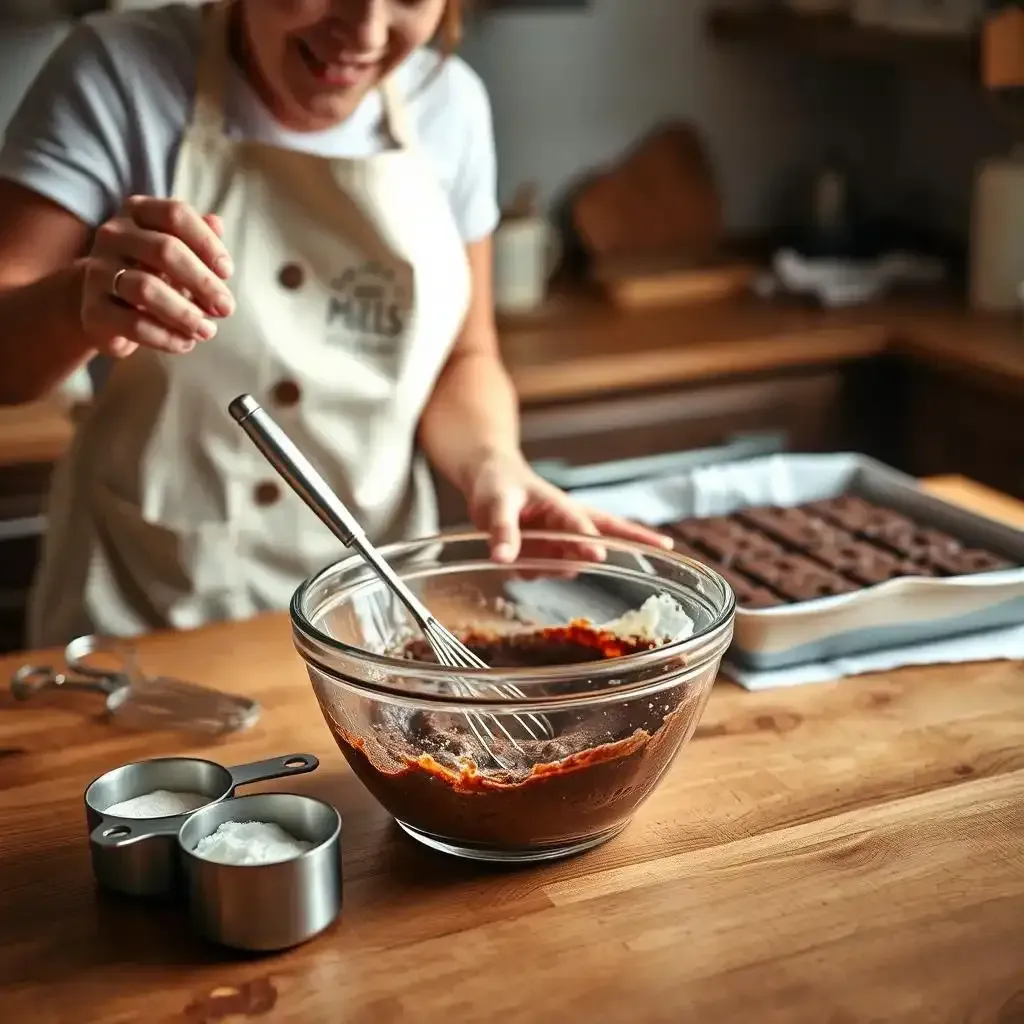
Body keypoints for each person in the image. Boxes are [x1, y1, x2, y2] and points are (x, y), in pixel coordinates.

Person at [0, 0, 670, 649]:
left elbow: (465, 358)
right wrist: (77, 302)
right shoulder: (120, 70)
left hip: (372, 615)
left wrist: (494, 462)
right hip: (141, 614)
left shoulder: (451, 106)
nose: (364, 31)